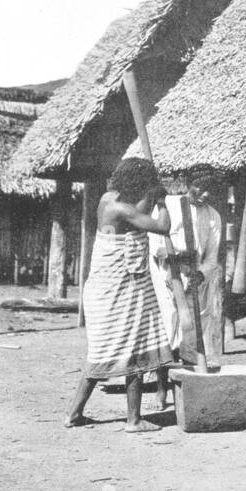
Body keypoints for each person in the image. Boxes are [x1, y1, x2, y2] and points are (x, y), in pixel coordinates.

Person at [65, 158, 173, 433]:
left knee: (104, 351)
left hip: (114, 288)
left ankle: (74, 414)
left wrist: (149, 194)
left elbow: (135, 216)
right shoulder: (121, 208)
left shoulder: (108, 199)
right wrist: (160, 201)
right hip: (117, 290)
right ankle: (133, 421)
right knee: (132, 349)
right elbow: (162, 227)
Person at [149, 167, 224, 379]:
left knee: (191, 332)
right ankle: (162, 386)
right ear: (188, 184)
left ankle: (187, 383)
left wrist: (200, 274)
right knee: (167, 324)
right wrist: (173, 256)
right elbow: (154, 243)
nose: (205, 194)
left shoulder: (213, 216)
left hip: (194, 277)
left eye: (210, 190)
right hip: (166, 274)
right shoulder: (169, 206)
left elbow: (211, 257)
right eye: (200, 187)